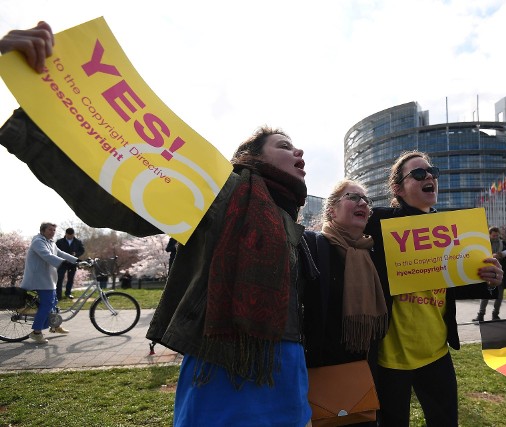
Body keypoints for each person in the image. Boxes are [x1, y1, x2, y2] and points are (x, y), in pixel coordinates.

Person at [1, 22, 313, 426]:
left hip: (287, 363)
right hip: (223, 364)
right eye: (284, 145)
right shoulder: (223, 190)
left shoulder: (287, 218)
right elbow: (118, 199)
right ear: (251, 158)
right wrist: (39, 103)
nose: (299, 150)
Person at [364, 151, 503, 427]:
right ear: (397, 188)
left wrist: (489, 280)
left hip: (437, 354)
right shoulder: (378, 223)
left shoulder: (453, 231)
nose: (429, 176)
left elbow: (453, 286)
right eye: (418, 173)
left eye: (432, 172)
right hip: (390, 358)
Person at [303, 179, 386, 426]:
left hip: (363, 375)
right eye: (353, 197)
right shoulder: (312, 246)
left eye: (366, 200)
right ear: (332, 210)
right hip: (321, 373)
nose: (362, 203)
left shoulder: (373, 253)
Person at [20, 222, 78, 343]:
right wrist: (64, 263)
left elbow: (61, 253)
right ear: (43, 230)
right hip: (38, 280)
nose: (52, 232)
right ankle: (36, 332)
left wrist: (77, 261)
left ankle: (55, 325)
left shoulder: (50, 242)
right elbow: (47, 255)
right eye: (50, 230)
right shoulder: (38, 241)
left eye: (54, 230)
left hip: (47, 279)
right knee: (47, 305)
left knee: (54, 302)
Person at [473, 226, 506, 321]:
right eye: (494, 235)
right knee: (485, 294)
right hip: (487, 271)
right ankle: (480, 315)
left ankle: (495, 314)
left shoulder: (503, 243)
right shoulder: (484, 243)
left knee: (499, 295)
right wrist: (491, 256)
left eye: (497, 235)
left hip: (500, 272)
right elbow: (478, 256)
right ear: (489, 235)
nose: (495, 237)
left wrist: (501, 255)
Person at [55, 227, 85, 299]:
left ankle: (68, 293)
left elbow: (82, 250)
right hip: (62, 263)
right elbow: (55, 251)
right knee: (59, 278)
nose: (70, 236)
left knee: (70, 279)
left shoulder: (78, 242)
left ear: (73, 234)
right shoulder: (59, 242)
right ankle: (58, 295)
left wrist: (76, 254)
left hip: (72, 263)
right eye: (68, 235)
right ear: (66, 234)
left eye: (71, 235)